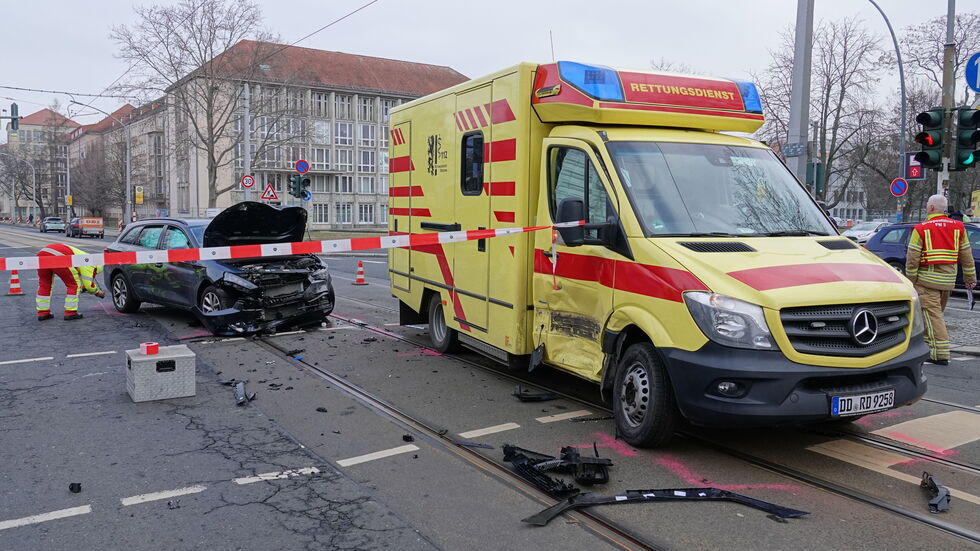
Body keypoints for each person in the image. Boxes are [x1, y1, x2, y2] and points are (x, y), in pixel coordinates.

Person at [906, 195, 977, 365]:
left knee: (933, 318)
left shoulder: (921, 229)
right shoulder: (959, 227)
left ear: (930, 208)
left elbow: (913, 258)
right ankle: (927, 347)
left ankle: (941, 354)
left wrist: (910, 281)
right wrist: (970, 278)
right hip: (948, 282)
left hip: (926, 282)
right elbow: (967, 256)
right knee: (932, 318)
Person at [35, 243, 105, 321]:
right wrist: (98, 293)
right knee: (74, 284)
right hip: (59, 256)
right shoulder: (91, 265)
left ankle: (43, 313)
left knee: (45, 284)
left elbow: (83, 280)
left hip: (42, 254)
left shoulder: (84, 256)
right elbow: (88, 285)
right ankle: (70, 312)